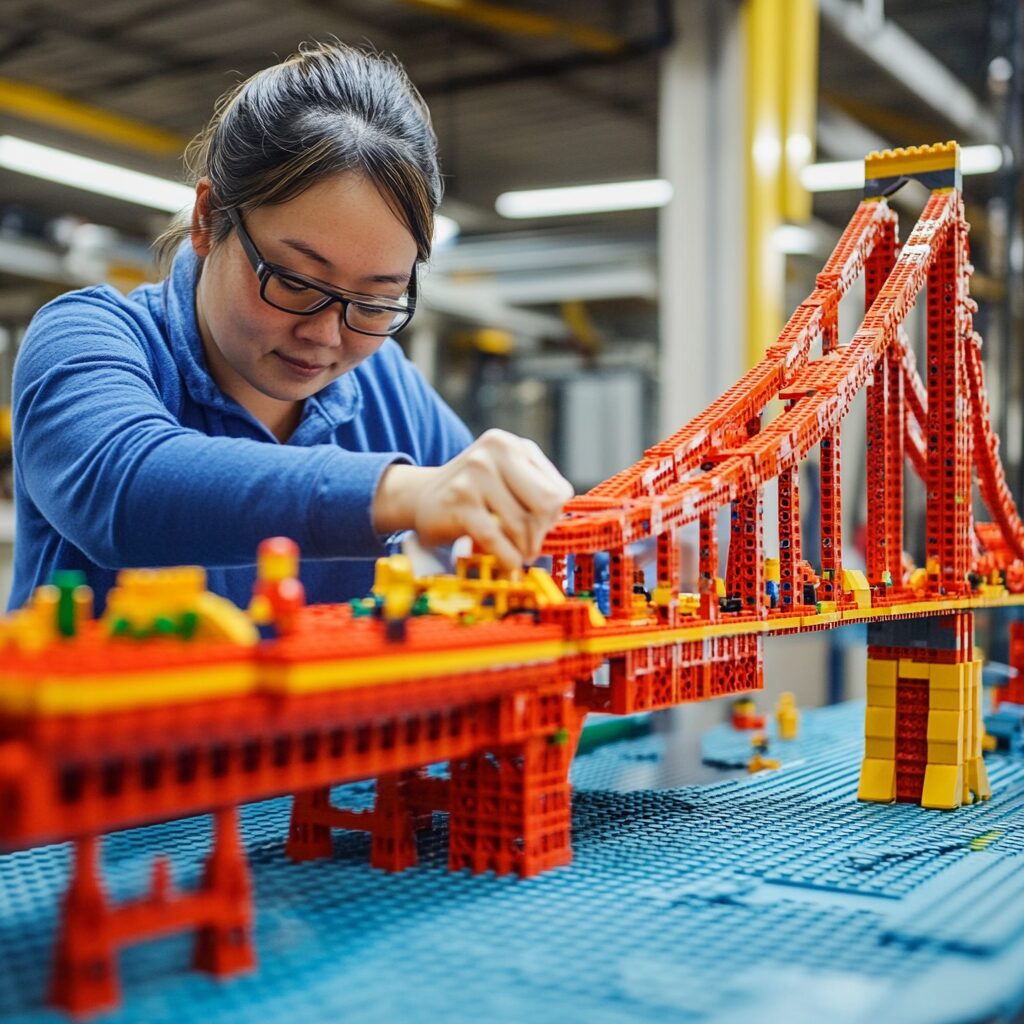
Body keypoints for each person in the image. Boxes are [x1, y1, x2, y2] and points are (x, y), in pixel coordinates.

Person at [8, 40, 572, 612]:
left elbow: (520, 556)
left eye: (376, 303)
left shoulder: (388, 391)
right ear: (208, 219)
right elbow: (125, 486)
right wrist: (402, 492)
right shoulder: (87, 338)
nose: (327, 335)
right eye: (296, 282)